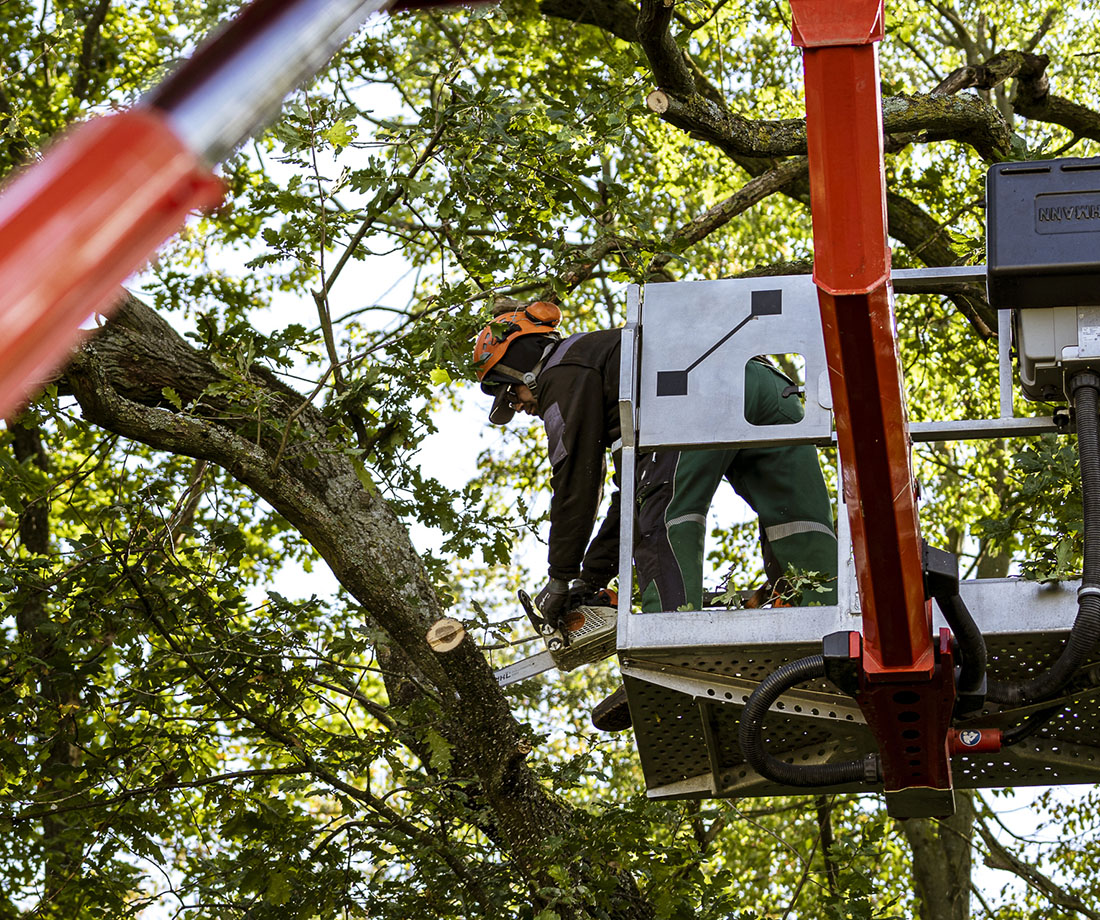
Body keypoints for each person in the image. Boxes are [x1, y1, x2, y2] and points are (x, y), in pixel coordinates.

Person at [473, 301, 838, 728]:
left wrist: (559, 578)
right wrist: (589, 581)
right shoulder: (609, 367)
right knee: (797, 524)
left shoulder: (560, 373)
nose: (521, 408)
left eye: (510, 395)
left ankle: (667, 654)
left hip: (697, 389)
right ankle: (825, 631)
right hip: (762, 384)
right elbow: (629, 498)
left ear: (521, 366)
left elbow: (575, 481)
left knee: (661, 524)